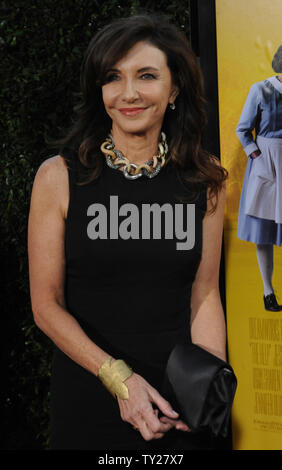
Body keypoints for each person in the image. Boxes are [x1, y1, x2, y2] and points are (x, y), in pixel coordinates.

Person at [27, 14, 228, 450]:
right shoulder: (58, 177)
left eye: (147, 76)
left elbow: (205, 295)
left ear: (174, 89)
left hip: (179, 409)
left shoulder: (206, 181)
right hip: (91, 396)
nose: (129, 93)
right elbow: (46, 305)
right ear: (100, 92)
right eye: (113, 78)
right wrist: (121, 381)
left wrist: (208, 390)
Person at [236, 45, 282, 312]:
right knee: (264, 231)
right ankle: (268, 291)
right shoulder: (260, 90)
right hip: (266, 163)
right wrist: (257, 156)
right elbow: (243, 129)